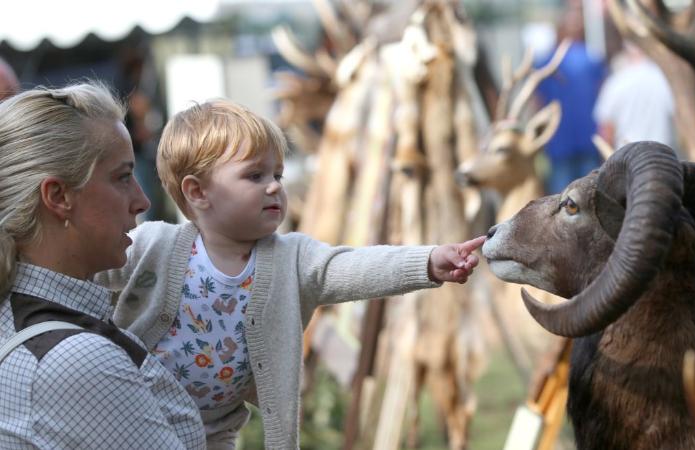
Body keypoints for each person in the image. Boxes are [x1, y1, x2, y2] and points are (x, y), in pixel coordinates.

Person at [95, 99, 485, 449]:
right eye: (255, 176)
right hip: (133, 418)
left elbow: (352, 266)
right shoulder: (152, 246)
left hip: (211, 433)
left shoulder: (292, 259)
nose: (273, 189)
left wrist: (427, 261)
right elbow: (80, 271)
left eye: (277, 175)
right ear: (198, 193)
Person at [0, 83, 205, 448]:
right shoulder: (75, 359)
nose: (141, 201)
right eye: (123, 177)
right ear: (58, 196)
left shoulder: (21, 317)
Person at [529, 6, 606, 194]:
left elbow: (537, 104)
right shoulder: (592, 59)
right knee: (590, 199)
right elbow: (603, 98)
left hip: (559, 144)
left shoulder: (544, 62)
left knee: (561, 202)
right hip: (586, 141)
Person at [594, 43, 676, 149]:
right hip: (663, 153)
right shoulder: (664, 80)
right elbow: (678, 118)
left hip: (628, 156)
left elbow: (606, 128)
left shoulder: (616, 82)